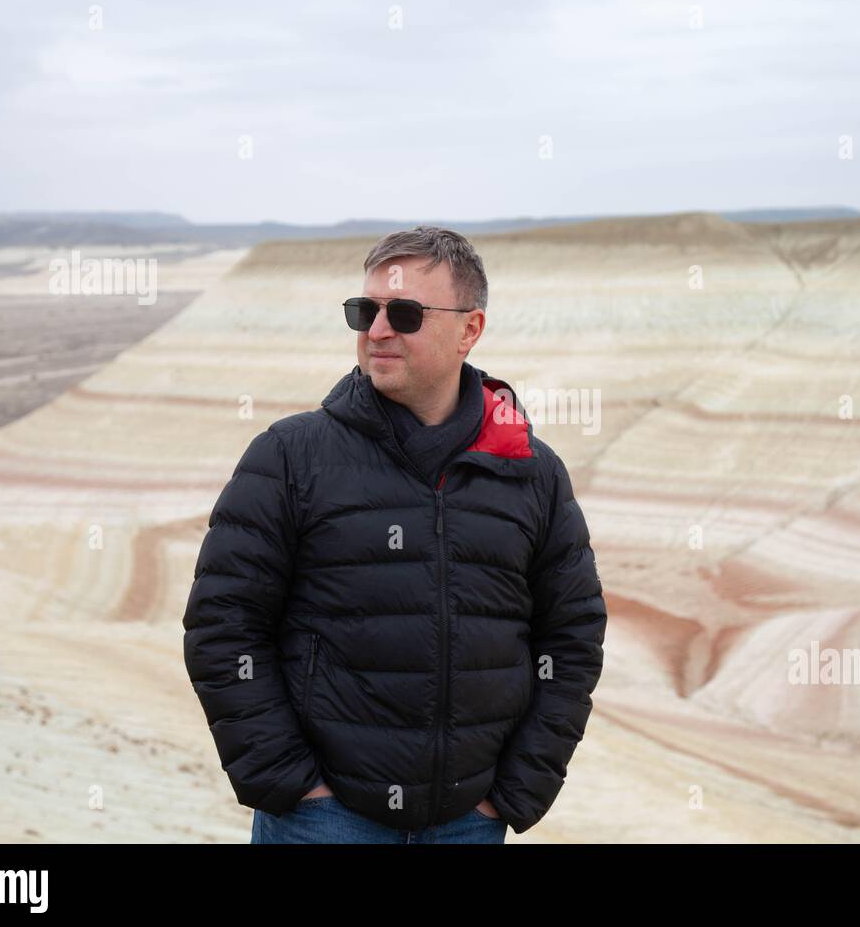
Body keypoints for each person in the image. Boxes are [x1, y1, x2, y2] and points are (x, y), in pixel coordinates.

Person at [182, 225, 607, 843]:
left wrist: (514, 794)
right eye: (365, 311)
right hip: (323, 820)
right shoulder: (289, 457)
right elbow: (223, 627)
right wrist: (293, 785)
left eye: (404, 313)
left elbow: (570, 641)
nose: (377, 330)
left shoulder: (531, 472)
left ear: (470, 329)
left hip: (468, 824)